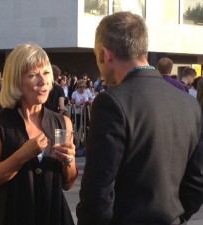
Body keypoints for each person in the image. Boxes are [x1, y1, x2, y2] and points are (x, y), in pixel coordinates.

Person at [76, 12, 203, 225]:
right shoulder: (188, 104)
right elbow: (197, 181)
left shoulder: (112, 103)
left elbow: (97, 193)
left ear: (106, 54)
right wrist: (178, 217)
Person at [0, 43, 78, 225]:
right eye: (33, 75)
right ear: (16, 81)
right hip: (10, 214)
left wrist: (69, 160)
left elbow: (67, 184)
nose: (43, 81)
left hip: (51, 213)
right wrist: (23, 154)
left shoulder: (63, 123)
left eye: (45, 73)